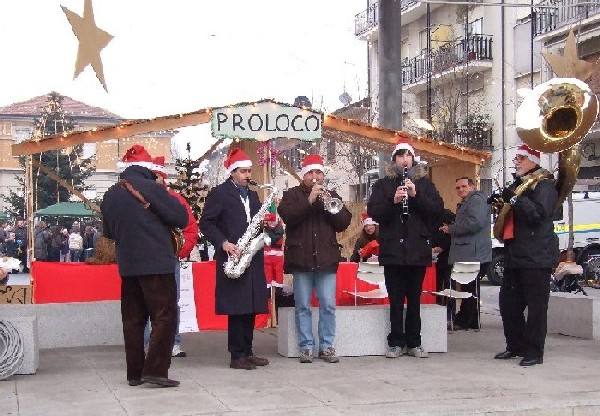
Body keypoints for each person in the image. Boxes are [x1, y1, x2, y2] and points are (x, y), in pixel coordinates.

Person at [101, 144, 188, 387]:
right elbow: (181, 218)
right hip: (157, 263)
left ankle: (135, 373)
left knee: (133, 320)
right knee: (164, 316)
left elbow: (108, 232)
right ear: (148, 169)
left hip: (128, 265)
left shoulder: (110, 194)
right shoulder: (152, 188)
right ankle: (156, 370)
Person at [367, 137, 443, 359]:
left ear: (413, 159)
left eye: (408, 155)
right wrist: (393, 201)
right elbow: (375, 213)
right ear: (394, 160)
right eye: (400, 156)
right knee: (396, 300)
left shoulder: (425, 184)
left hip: (417, 250)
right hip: (392, 251)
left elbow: (437, 211)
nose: (404, 160)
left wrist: (415, 196)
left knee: (415, 299)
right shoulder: (382, 185)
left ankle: (414, 342)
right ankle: (396, 342)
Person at [199, 147, 270, 370]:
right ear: (232, 172)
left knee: (250, 306)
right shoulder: (219, 193)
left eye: (249, 171)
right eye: (243, 171)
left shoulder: (253, 195)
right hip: (232, 254)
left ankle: (248, 351)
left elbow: (257, 223)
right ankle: (236, 355)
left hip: (252, 256)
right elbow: (206, 223)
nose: (248, 175)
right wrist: (224, 242)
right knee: (237, 307)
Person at [278, 154, 352, 364]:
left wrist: (328, 203)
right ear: (304, 175)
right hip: (301, 259)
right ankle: (306, 347)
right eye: (310, 172)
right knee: (302, 305)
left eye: (318, 172)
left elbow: (343, 222)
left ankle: (327, 346)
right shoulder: (291, 195)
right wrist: (309, 200)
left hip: (326, 259)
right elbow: (289, 217)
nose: (315, 176)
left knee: (328, 304)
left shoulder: (331, 195)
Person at [489, 144, 558, 367]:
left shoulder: (545, 185)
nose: (516, 161)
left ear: (533, 161)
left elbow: (537, 214)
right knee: (508, 304)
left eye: (521, 158)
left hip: (536, 256)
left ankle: (534, 351)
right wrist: (500, 204)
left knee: (536, 308)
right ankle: (515, 346)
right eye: (516, 158)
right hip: (515, 254)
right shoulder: (519, 185)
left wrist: (515, 200)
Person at [150, 156, 199, 358]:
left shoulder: (175, 200)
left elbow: (191, 228)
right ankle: (149, 343)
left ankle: (173, 342)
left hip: (170, 260)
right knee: (147, 303)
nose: (153, 180)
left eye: (156, 177)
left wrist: (180, 251)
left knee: (171, 302)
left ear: (162, 178)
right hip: (147, 259)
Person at [440, 177, 492, 330]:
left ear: (472, 186)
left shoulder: (476, 200)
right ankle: (471, 320)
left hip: (472, 253)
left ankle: (465, 320)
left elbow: (474, 223)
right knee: (468, 288)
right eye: (457, 187)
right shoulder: (470, 201)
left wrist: (451, 229)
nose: (460, 190)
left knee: (469, 288)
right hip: (469, 252)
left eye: (463, 186)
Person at [432, 208, 455, 320]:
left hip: (447, 258)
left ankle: (448, 314)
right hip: (436, 259)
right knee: (437, 287)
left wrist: (442, 247)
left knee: (447, 287)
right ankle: (440, 312)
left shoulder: (446, 215)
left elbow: (452, 236)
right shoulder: (429, 219)